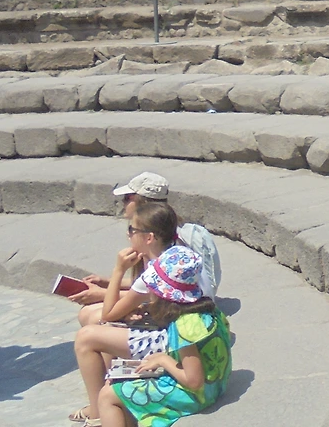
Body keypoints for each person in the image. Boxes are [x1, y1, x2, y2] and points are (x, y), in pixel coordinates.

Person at [76, 239, 232, 427]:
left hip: (199, 394)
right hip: (215, 382)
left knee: (107, 396)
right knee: (116, 382)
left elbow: (194, 381)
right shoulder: (205, 309)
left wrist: (163, 360)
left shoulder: (185, 326)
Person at [71, 201, 184, 424]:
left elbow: (109, 313)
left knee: (87, 336)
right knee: (103, 329)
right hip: (176, 331)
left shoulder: (153, 273)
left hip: (169, 341)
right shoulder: (174, 255)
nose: (128, 235)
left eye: (132, 230)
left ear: (149, 237)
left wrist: (118, 270)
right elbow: (149, 297)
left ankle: (98, 413)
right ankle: (104, 402)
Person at [74, 173, 221, 319]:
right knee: (88, 313)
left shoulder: (167, 246)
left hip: (179, 313)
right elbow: (152, 283)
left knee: (93, 317)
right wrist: (106, 282)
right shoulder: (163, 236)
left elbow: (151, 289)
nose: (123, 202)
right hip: (174, 304)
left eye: (127, 198)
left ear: (142, 202)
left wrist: (107, 287)